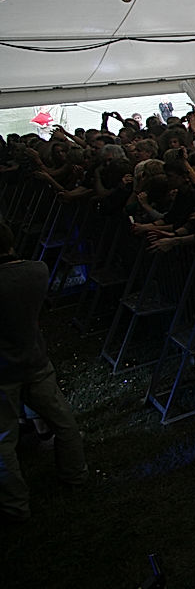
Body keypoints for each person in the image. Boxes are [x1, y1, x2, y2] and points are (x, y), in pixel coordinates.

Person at [0, 222, 87, 522]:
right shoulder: (37, 270)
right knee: (63, 421)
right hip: (35, 359)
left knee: (3, 440)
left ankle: (15, 506)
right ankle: (75, 474)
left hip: (3, 371)